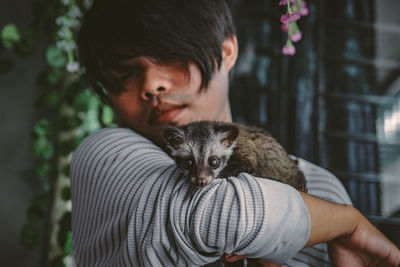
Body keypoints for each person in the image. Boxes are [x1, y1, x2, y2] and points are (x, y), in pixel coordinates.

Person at [71, 0, 400, 266]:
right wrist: (347, 223)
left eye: (170, 56)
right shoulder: (105, 156)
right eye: (124, 73)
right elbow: (218, 215)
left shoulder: (323, 186)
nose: (152, 85)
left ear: (227, 51)